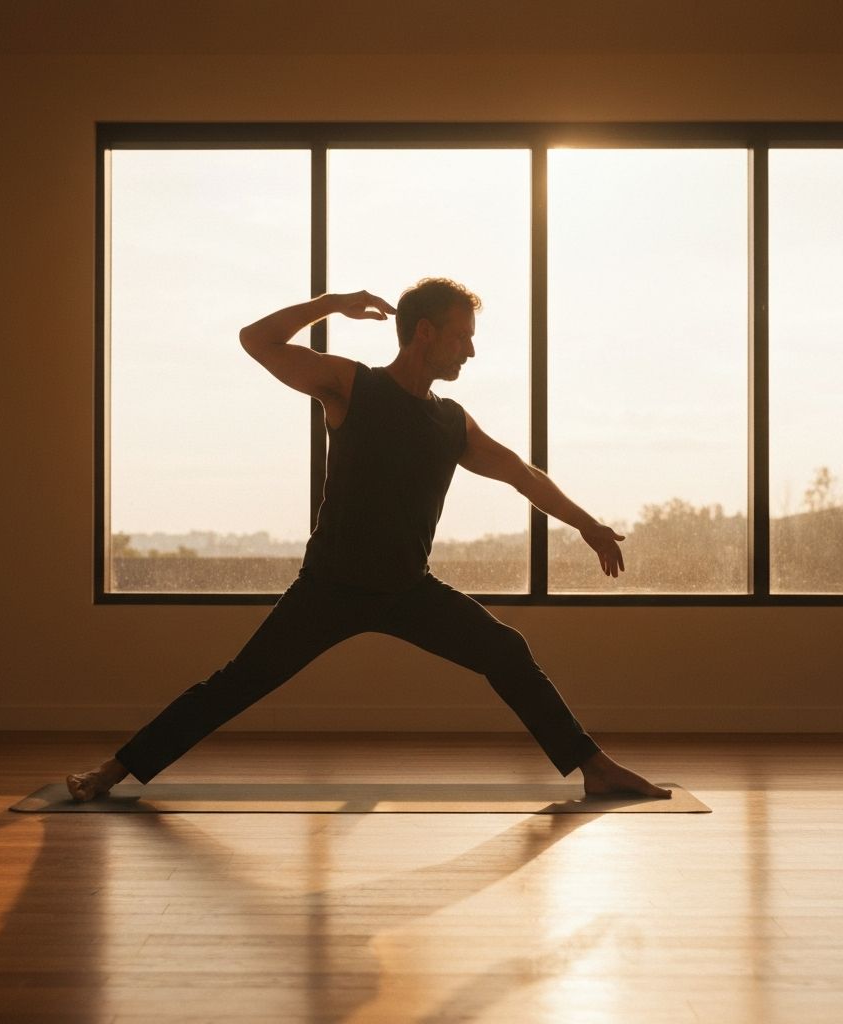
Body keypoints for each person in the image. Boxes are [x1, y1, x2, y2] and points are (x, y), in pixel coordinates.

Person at [68, 279, 672, 802]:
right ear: (425, 333)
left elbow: (522, 474)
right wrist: (333, 303)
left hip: (408, 590)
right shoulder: (353, 387)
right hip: (329, 588)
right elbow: (257, 340)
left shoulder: (451, 421)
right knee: (234, 685)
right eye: (462, 336)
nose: (471, 350)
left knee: (505, 650)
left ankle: (594, 769)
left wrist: (588, 525)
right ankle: (114, 769)